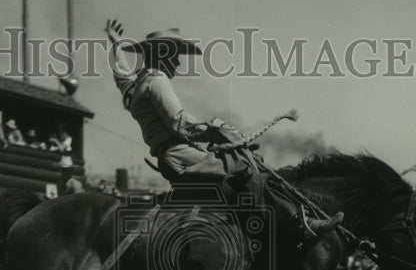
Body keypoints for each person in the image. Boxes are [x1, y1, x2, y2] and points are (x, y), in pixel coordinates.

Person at [104, 19, 341, 239]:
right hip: (180, 156)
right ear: (162, 54)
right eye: (175, 55)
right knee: (247, 171)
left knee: (243, 162)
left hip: (171, 158)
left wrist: (115, 44)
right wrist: (217, 128)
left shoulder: (138, 85)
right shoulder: (157, 80)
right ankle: (298, 225)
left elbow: (122, 77)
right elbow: (180, 122)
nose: (178, 62)